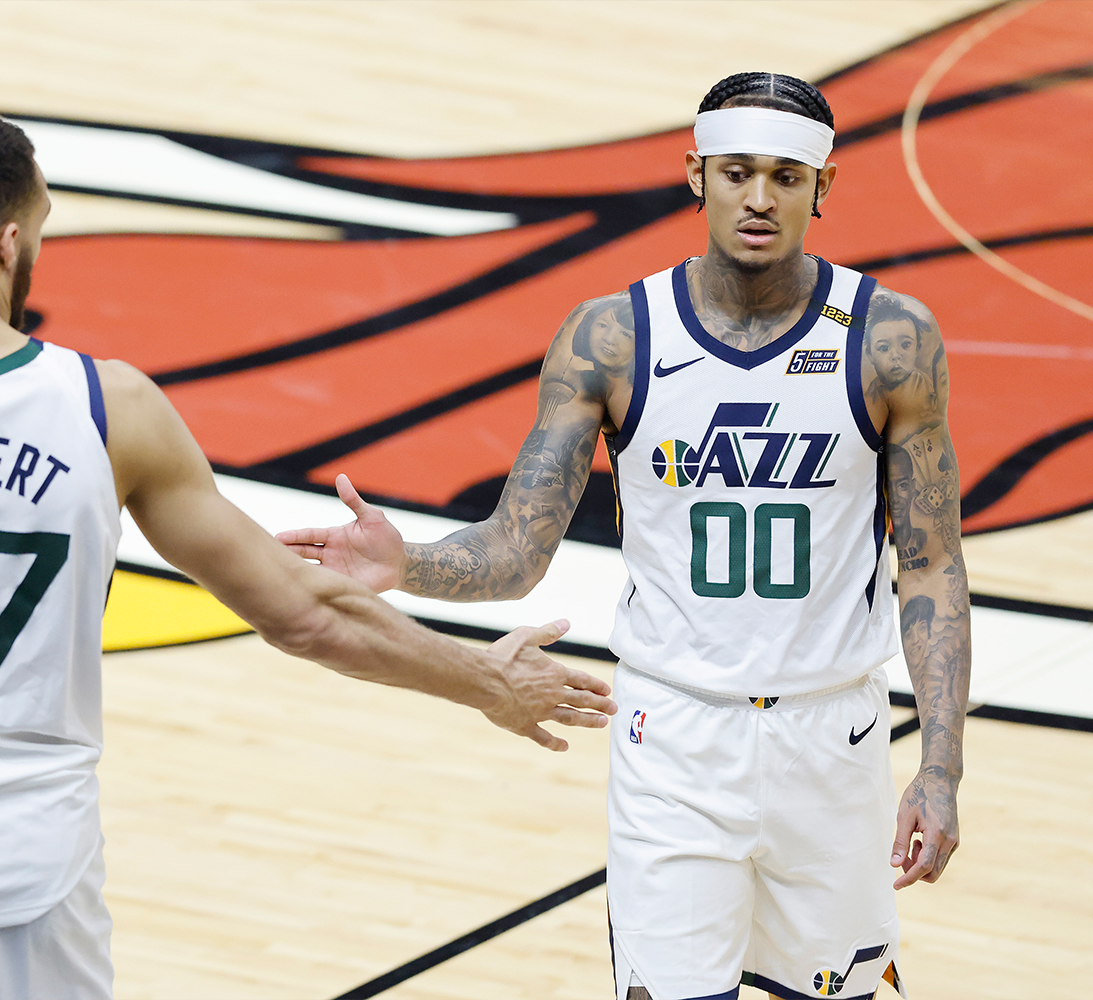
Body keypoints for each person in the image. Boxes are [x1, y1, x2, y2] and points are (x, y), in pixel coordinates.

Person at [0, 110, 617, 1000]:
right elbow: (307, 613)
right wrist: (484, 681)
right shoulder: (109, 408)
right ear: (11, 242)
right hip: (35, 887)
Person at [280, 72, 970, 1000]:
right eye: (735, 173)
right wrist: (405, 563)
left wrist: (939, 767)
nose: (759, 199)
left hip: (833, 739)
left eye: (785, 176)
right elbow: (516, 553)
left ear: (825, 186)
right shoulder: (613, 338)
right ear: (695, 175)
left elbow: (930, 566)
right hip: (674, 737)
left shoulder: (891, 339)